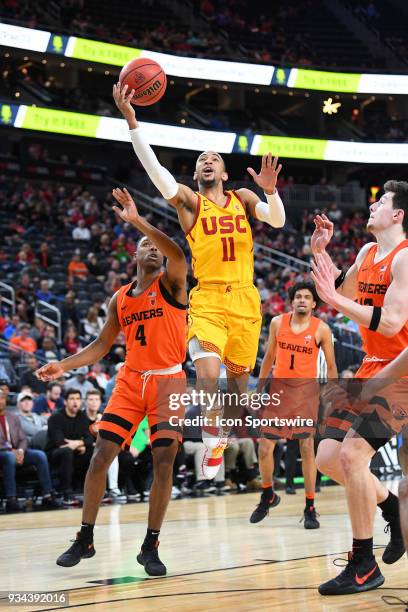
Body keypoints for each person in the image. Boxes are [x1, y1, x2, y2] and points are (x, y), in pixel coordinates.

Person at [113, 82, 286, 478]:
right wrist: (132, 121)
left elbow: (276, 220)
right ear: (195, 173)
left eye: (214, 158)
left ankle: (226, 434)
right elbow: (156, 173)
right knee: (208, 375)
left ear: (224, 171)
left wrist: (272, 193)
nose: (208, 161)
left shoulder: (243, 197)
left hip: (245, 302)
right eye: (201, 159)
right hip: (207, 298)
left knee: (240, 388)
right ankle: (213, 437)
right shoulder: (191, 202)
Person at [36, 189, 187, 576]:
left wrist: (139, 222)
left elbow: (177, 254)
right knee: (101, 454)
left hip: (168, 381)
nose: (151, 249)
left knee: (164, 461)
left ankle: (150, 544)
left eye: (154, 244)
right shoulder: (120, 298)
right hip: (130, 381)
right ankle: (85, 537)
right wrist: (62, 366)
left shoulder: (172, 285)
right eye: (143, 244)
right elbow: (102, 345)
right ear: (134, 256)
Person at [310, 180, 408, 595]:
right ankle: (389, 506)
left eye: (381, 201)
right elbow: (344, 290)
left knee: (352, 455)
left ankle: (364, 563)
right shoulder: (369, 252)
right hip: (370, 366)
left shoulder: (405, 260)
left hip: (400, 373)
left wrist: (334, 300)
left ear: (398, 214)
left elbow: (389, 323)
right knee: (327, 458)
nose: (372, 205)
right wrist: (321, 253)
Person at [250, 281, 337, 529]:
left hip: (306, 394)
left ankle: (310, 506)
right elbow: (268, 359)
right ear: (291, 301)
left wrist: (331, 396)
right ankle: (268, 493)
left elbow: (331, 367)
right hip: (279, 391)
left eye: (307, 297)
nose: (302, 300)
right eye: (298, 296)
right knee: (265, 447)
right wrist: (258, 389)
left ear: (313, 303)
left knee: (306, 448)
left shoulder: (322, 329)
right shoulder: (278, 322)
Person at [0, 387, 60, 512]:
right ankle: (11, 498)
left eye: (2, 398)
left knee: (40, 455)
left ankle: (47, 495)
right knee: (9, 457)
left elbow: (23, 439)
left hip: (17, 452)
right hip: (4, 453)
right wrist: (11, 451)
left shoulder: (13, 417)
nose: (0, 401)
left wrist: (21, 451)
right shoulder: (18, 416)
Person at [45, 389, 94, 504]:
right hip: (55, 452)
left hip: (76, 452)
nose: (75, 402)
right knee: (67, 451)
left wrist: (78, 443)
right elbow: (59, 442)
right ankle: (66, 493)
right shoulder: (55, 417)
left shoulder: (82, 417)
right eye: (72, 399)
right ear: (65, 402)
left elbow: (89, 439)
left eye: (77, 399)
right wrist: (80, 444)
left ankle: (94, 490)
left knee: (94, 451)